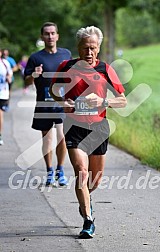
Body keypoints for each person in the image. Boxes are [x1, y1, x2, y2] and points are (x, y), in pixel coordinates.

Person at [50, 26, 127, 238]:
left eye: (93, 48)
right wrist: (61, 99)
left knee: (94, 180)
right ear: (79, 48)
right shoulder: (67, 66)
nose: (89, 52)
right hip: (74, 127)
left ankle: (85, 200)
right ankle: (88, 219)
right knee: (81, 172)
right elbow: (54, 89)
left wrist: (104, 101)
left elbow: (123, 100)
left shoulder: (105, 70)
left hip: (98, 128)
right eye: (85, 48)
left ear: (99, 47)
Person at [24, 22, 72, 186]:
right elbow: (26, 81)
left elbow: (72, 77)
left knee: (62, 136)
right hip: (44, 104)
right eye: (47, 33)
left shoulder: (66, 54)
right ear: (42, 37)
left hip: (61, 102)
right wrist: (34, 76)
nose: (50, 36)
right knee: (47, 139)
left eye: (53, 33)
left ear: (57, 36)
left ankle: (60, 169)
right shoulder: (35, 58)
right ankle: (49, 171)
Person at [0, 49, 13, 145]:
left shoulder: (5, 63)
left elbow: (10, 73)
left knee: (0, 114)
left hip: (2, 93)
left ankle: (0, 135)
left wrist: (9, 77)